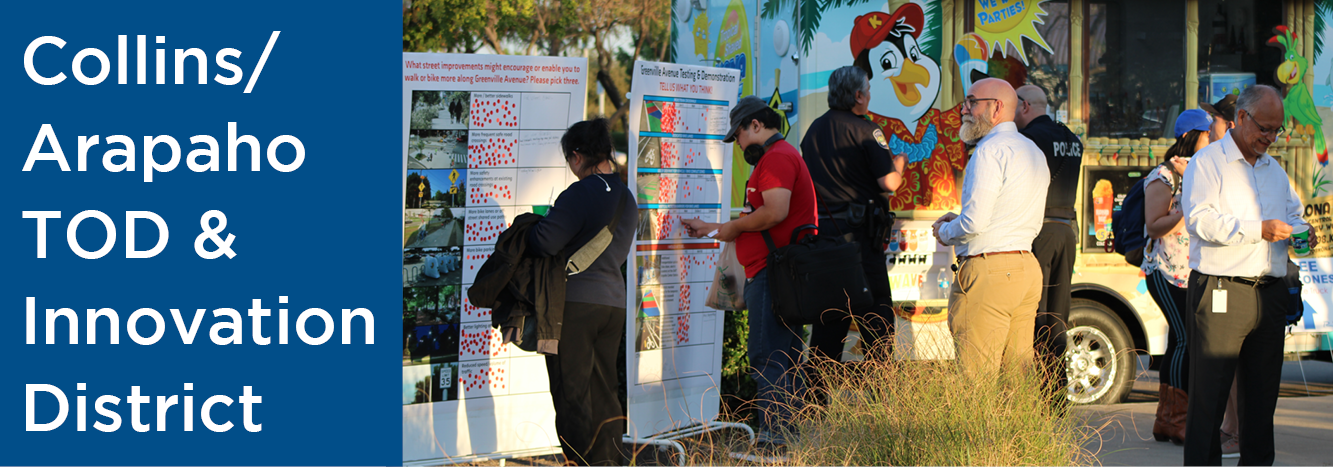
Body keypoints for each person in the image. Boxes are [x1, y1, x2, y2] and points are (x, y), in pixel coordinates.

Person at [683, 96, 818, 459]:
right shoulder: (782, 156)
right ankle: (789, 439)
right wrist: (715, 229)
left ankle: (774, 443)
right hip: (781, 273)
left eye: (739, 135)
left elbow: (774, 212)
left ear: (756, 126)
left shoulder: (775, 159)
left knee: (767, 356)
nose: (739, 144)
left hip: (773, 275)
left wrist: (730, 228)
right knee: (785, 357)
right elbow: (755, 218)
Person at [1181, 85, 1309, 465]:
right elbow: (1200, 220)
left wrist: (1303, 233)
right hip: (1221, 290)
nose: (1270, 138)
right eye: (1264, 129)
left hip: (1268, 292)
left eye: (1276, 130)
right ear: (1241, 119)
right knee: (1210, 398)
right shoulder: (1208, 163)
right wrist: (1260, 230)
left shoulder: (1274, 170)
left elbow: (1294, 216)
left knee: (1261, 398)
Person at [526, 118, 637, 466]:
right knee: (605, 390)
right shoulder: (626, 196)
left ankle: (579, 460)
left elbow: (545, 242)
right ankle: (609, 461)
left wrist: (531, 228)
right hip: (612, 304)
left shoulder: (580, 192)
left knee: (570, 390)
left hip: (573, 305)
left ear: (577, 156)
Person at [931, 78, 1049, 375]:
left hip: (990, 271)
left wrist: (945, 232)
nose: (964, 110)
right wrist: (957, 221)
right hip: (1025, 267)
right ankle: (1025, 425)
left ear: (996, 107)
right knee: (1017, 382)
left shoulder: (988, 151)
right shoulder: (1032, 150)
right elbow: (1002, 215)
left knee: (976, 382)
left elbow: (975, 222)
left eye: (972, 102)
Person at [800, 66, 907, 365]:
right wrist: (899, 164)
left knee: (828, 321)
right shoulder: (866, 130)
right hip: (860, 242)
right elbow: (888, 183)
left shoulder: (814, 131)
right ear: (858, 95)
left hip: (825, 240)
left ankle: (817, 403)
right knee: (877, 321)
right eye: (868, 90)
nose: (870, 96)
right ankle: (881, 399)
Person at [1144, 109, 1212, 445]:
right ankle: (1176, 418)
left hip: (1191, 271)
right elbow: (1154, 225)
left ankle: (1166, 420)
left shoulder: (1201, 172)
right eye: (1207, 133)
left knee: (1178, 342)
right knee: (1185, 340)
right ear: (1191, 137)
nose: (1212, 138)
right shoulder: (1164, 176)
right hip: (1167, 272)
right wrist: (1186, 207)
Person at [1014, 84, 1083, 402]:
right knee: (1058, 313)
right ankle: (1056, 393)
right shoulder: (1072, 139)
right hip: (1066, 230)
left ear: (1025, 106)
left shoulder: (1028, 139)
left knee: (1032, 312)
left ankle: (1033, 393)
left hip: (1039, 231)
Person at [1201, 93, 1244, 458]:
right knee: (1223, 366)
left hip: (1239, 281)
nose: (1208, 127)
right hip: (1216, 278)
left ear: (1230, 124)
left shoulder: (1256, 165)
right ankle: (1230, 428)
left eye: (1213, 120)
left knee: (1231, 364)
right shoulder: (1209, 162)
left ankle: (1235, 430)